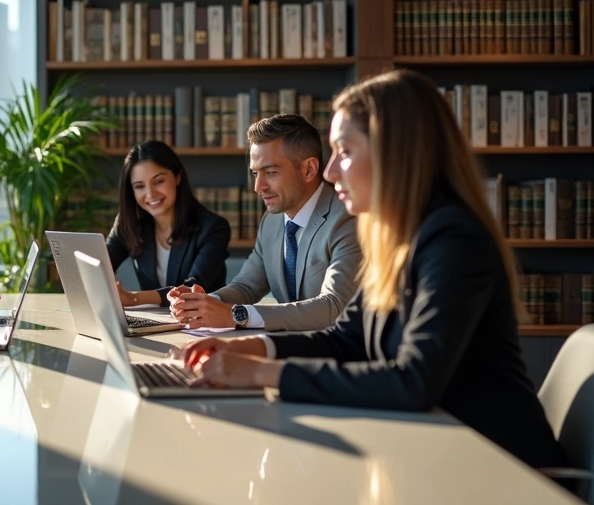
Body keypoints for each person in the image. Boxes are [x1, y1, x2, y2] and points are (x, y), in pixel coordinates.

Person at [180, 69, 565, 469]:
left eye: (344, 152)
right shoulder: (398, 237)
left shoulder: (454, 239)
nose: (329, 172)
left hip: (498, 467)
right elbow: (346, 339)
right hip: (434, 451)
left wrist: (263, 374)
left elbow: (414, 380)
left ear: (394, 151)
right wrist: (250, 347)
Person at [170, 114, 361, 332]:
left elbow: (335, 306)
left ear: (309, 169)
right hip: (288, 349)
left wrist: (236, 315)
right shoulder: (272, 221)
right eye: (255, 173)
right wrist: (200, 304)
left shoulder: (347, 219)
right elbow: (246, 286)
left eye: (270, 172)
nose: (258, 187)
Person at [106, 140, 230, 307]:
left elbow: (191, 289)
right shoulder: (129, 223)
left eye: (158, 181)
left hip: (202, 325)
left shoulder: (214, 229)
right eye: (139, 186)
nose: (150, 194)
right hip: (154, 324)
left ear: (177, 176)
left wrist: (133, 298)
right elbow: (100, 265)